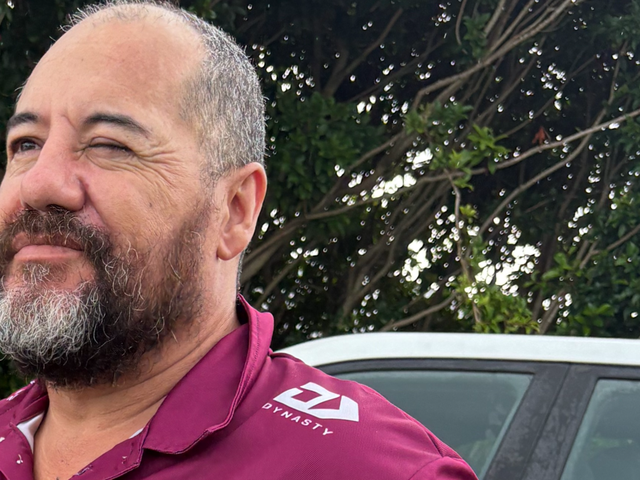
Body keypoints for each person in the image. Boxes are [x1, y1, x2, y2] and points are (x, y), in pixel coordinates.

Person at [0, 1, 478, 479]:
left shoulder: (371, 469)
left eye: (109, 144)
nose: (38, 185)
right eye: (26, 144)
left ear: (234, 211)